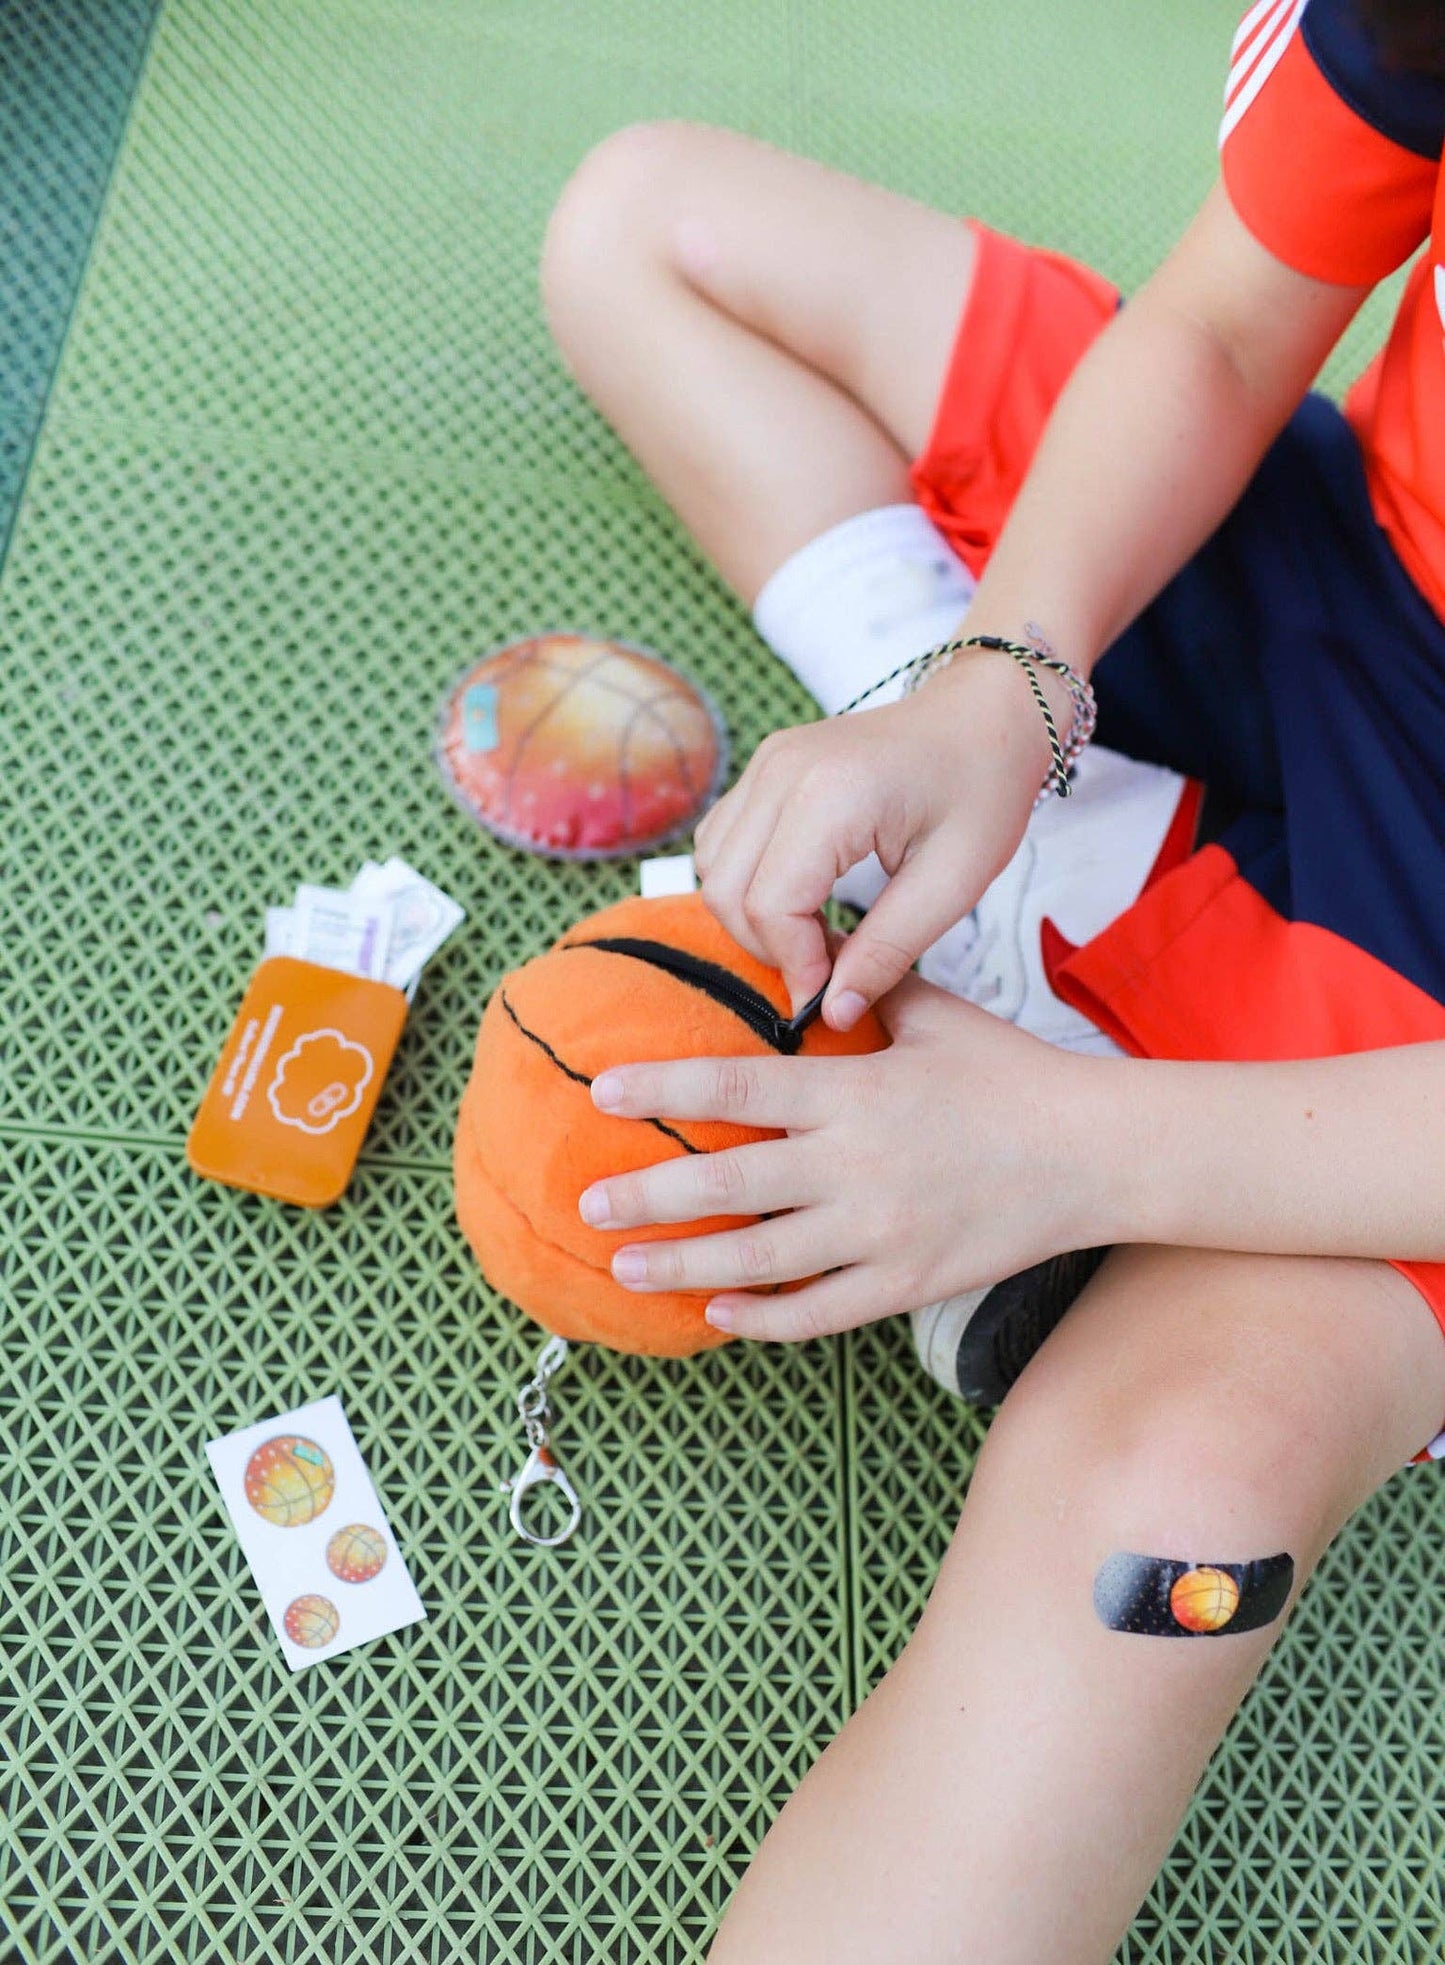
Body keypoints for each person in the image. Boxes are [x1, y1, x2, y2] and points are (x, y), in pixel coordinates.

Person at [540, 1, 1445, 1957]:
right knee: (648, 224)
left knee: (1169, 1523)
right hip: (1350, 570)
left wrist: (1081, 1151)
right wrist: (994, 686)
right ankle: (1040, 865)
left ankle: (1076, 1044)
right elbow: (1216, 328)